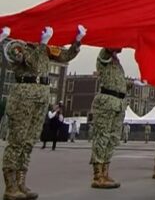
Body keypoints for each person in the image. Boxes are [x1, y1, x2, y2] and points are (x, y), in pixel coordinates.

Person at [1, 26, 83, 199]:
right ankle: (10, 186)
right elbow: (29, 62)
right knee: (17, 141)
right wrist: (41, 44)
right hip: (24, 97)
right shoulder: (17, 45)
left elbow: (64, 56)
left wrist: (77, 42)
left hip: (41, 98)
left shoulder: (44, 49)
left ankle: (21, 182)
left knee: (29, 141)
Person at [90, 46, 136, 189]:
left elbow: (117, 83)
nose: (122, 47)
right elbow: (108, 48)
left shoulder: (117, 63)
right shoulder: (104, 55)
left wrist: (131, 84)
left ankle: (105, 172)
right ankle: (98, 175)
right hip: (106, 102)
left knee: (112, 138)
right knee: (102, 137)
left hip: (118, 104)